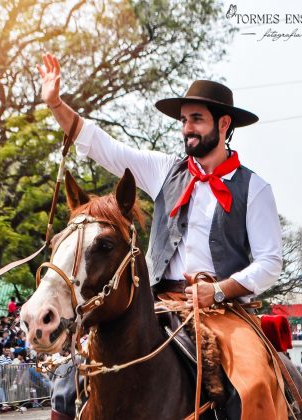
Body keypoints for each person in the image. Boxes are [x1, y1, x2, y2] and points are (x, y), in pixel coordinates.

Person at [37, 53, 290, 419]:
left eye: (197, 120)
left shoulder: (255, 189)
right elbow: (103, 147)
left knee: (250, 385)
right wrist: (56, 104)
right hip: (153, 301)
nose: (187, 128)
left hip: (221, 308)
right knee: (68, 379)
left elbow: (270, 262)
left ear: (223, 124)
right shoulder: (164, 169)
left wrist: (219, 290)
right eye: (184, 120)